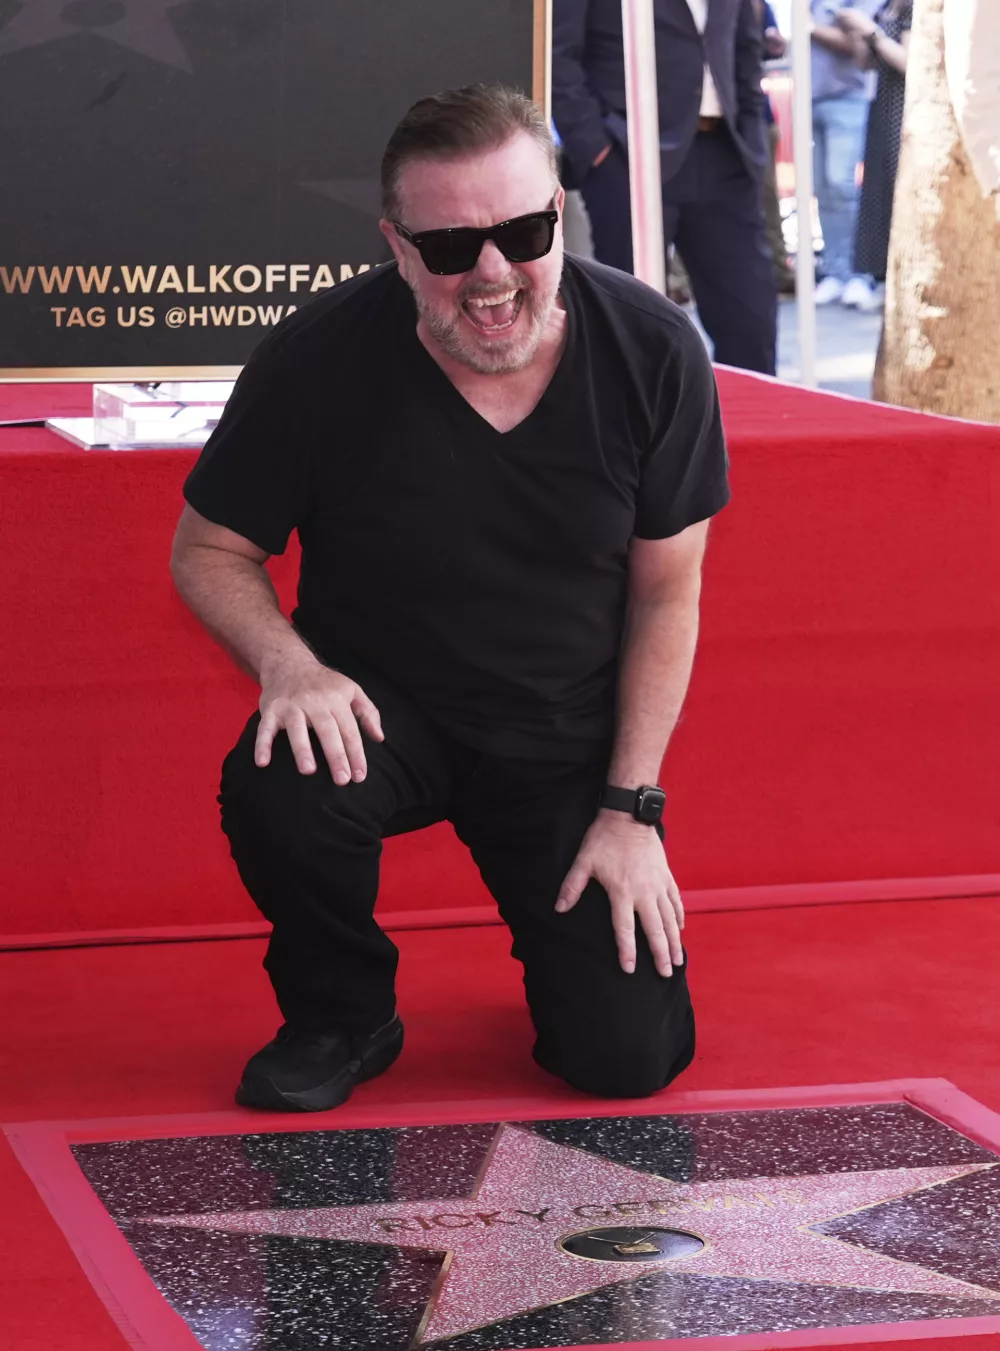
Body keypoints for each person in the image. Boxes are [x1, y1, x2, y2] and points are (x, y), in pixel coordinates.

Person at [170, 85, 730, 1114]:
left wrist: (630, 808)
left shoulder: (654, 350)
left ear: (560, 210)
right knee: (279, 779)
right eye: (449, 247)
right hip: (381, 713)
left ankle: (573, 971)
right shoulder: (316, 357)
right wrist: (289, 665)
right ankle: (340, 1011)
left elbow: (667, 596)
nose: (490, 275)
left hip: (562, 735)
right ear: (395, 244)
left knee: (626, 1060)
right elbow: (207, 548)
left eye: (522, 233)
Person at [552, 0, 777, 375]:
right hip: (629, 156)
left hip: (725, 153)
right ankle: (635, 431)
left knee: (750, 322)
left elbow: (744, 50)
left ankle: (748, 431)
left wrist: (751, 136)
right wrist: (597, 149)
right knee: (630, 326)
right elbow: (560, 54)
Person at [836, 2, 912, 312]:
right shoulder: (886, 8)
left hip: (904, 109)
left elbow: (909, 62)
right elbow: (867, 63)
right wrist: (857, 36)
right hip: (881, 106)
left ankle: (902, 281)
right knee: (878, 193)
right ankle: (881, 278)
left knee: (900, 192)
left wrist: (872, 32)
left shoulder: (915, 9)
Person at [809, 0, 883, 305]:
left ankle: (858, 273)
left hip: (848, 98)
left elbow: (862, 47)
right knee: (823, 191)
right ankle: (834, 271)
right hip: (810, 98)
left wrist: (810, 29)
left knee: (842, 185)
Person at [756, 0, 796, 294]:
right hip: (686, 123)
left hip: (752, 116)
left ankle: (780, 272)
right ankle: (681, 281)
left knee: (768, 197)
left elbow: (770, 48)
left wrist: (775, 45)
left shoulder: (758, 5)